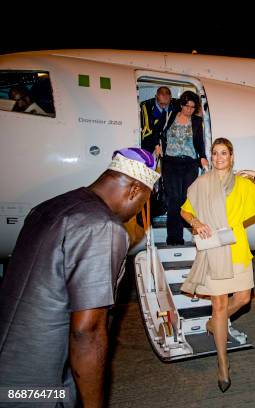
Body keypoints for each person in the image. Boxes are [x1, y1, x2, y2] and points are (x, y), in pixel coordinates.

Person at [0, 148, 160, 407]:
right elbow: (88, 332)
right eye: (142, 204)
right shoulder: (101, 227)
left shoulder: (51, 206)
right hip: (38, 390)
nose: (136, 214)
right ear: (134, 191)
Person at [179, 137, 255, 393]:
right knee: (219, 305)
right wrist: (196, 223)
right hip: (214, 250)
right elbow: (184, 210)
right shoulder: (201, 183)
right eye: (215, 153)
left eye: (224, 153)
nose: (219, 157)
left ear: (231, 157)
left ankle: (214, 323)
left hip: (238, 249)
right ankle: (222, 364)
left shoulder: (241, 183)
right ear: (212, 157)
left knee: (243, 298)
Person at [156, 90, 209, 245]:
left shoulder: (197, 121)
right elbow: (155, 133)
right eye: (187, 106)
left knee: (186, 199)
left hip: (190, 164)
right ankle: (174, 237)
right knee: (174, 199)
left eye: (193, 107)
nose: (189, 110)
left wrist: (202, 157)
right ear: (181, 105)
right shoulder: (169, 116)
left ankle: (194, 230)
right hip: (171, 163)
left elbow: (199, 143)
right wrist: (156, 145)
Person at [140, 86, 179, 154]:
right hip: (149, 144)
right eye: (161, 104)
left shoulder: (177, 105)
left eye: (166, 104)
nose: (164, 106)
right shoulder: (145, 107)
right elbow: (146, 132)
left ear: (170, 98)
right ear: (156, 97)